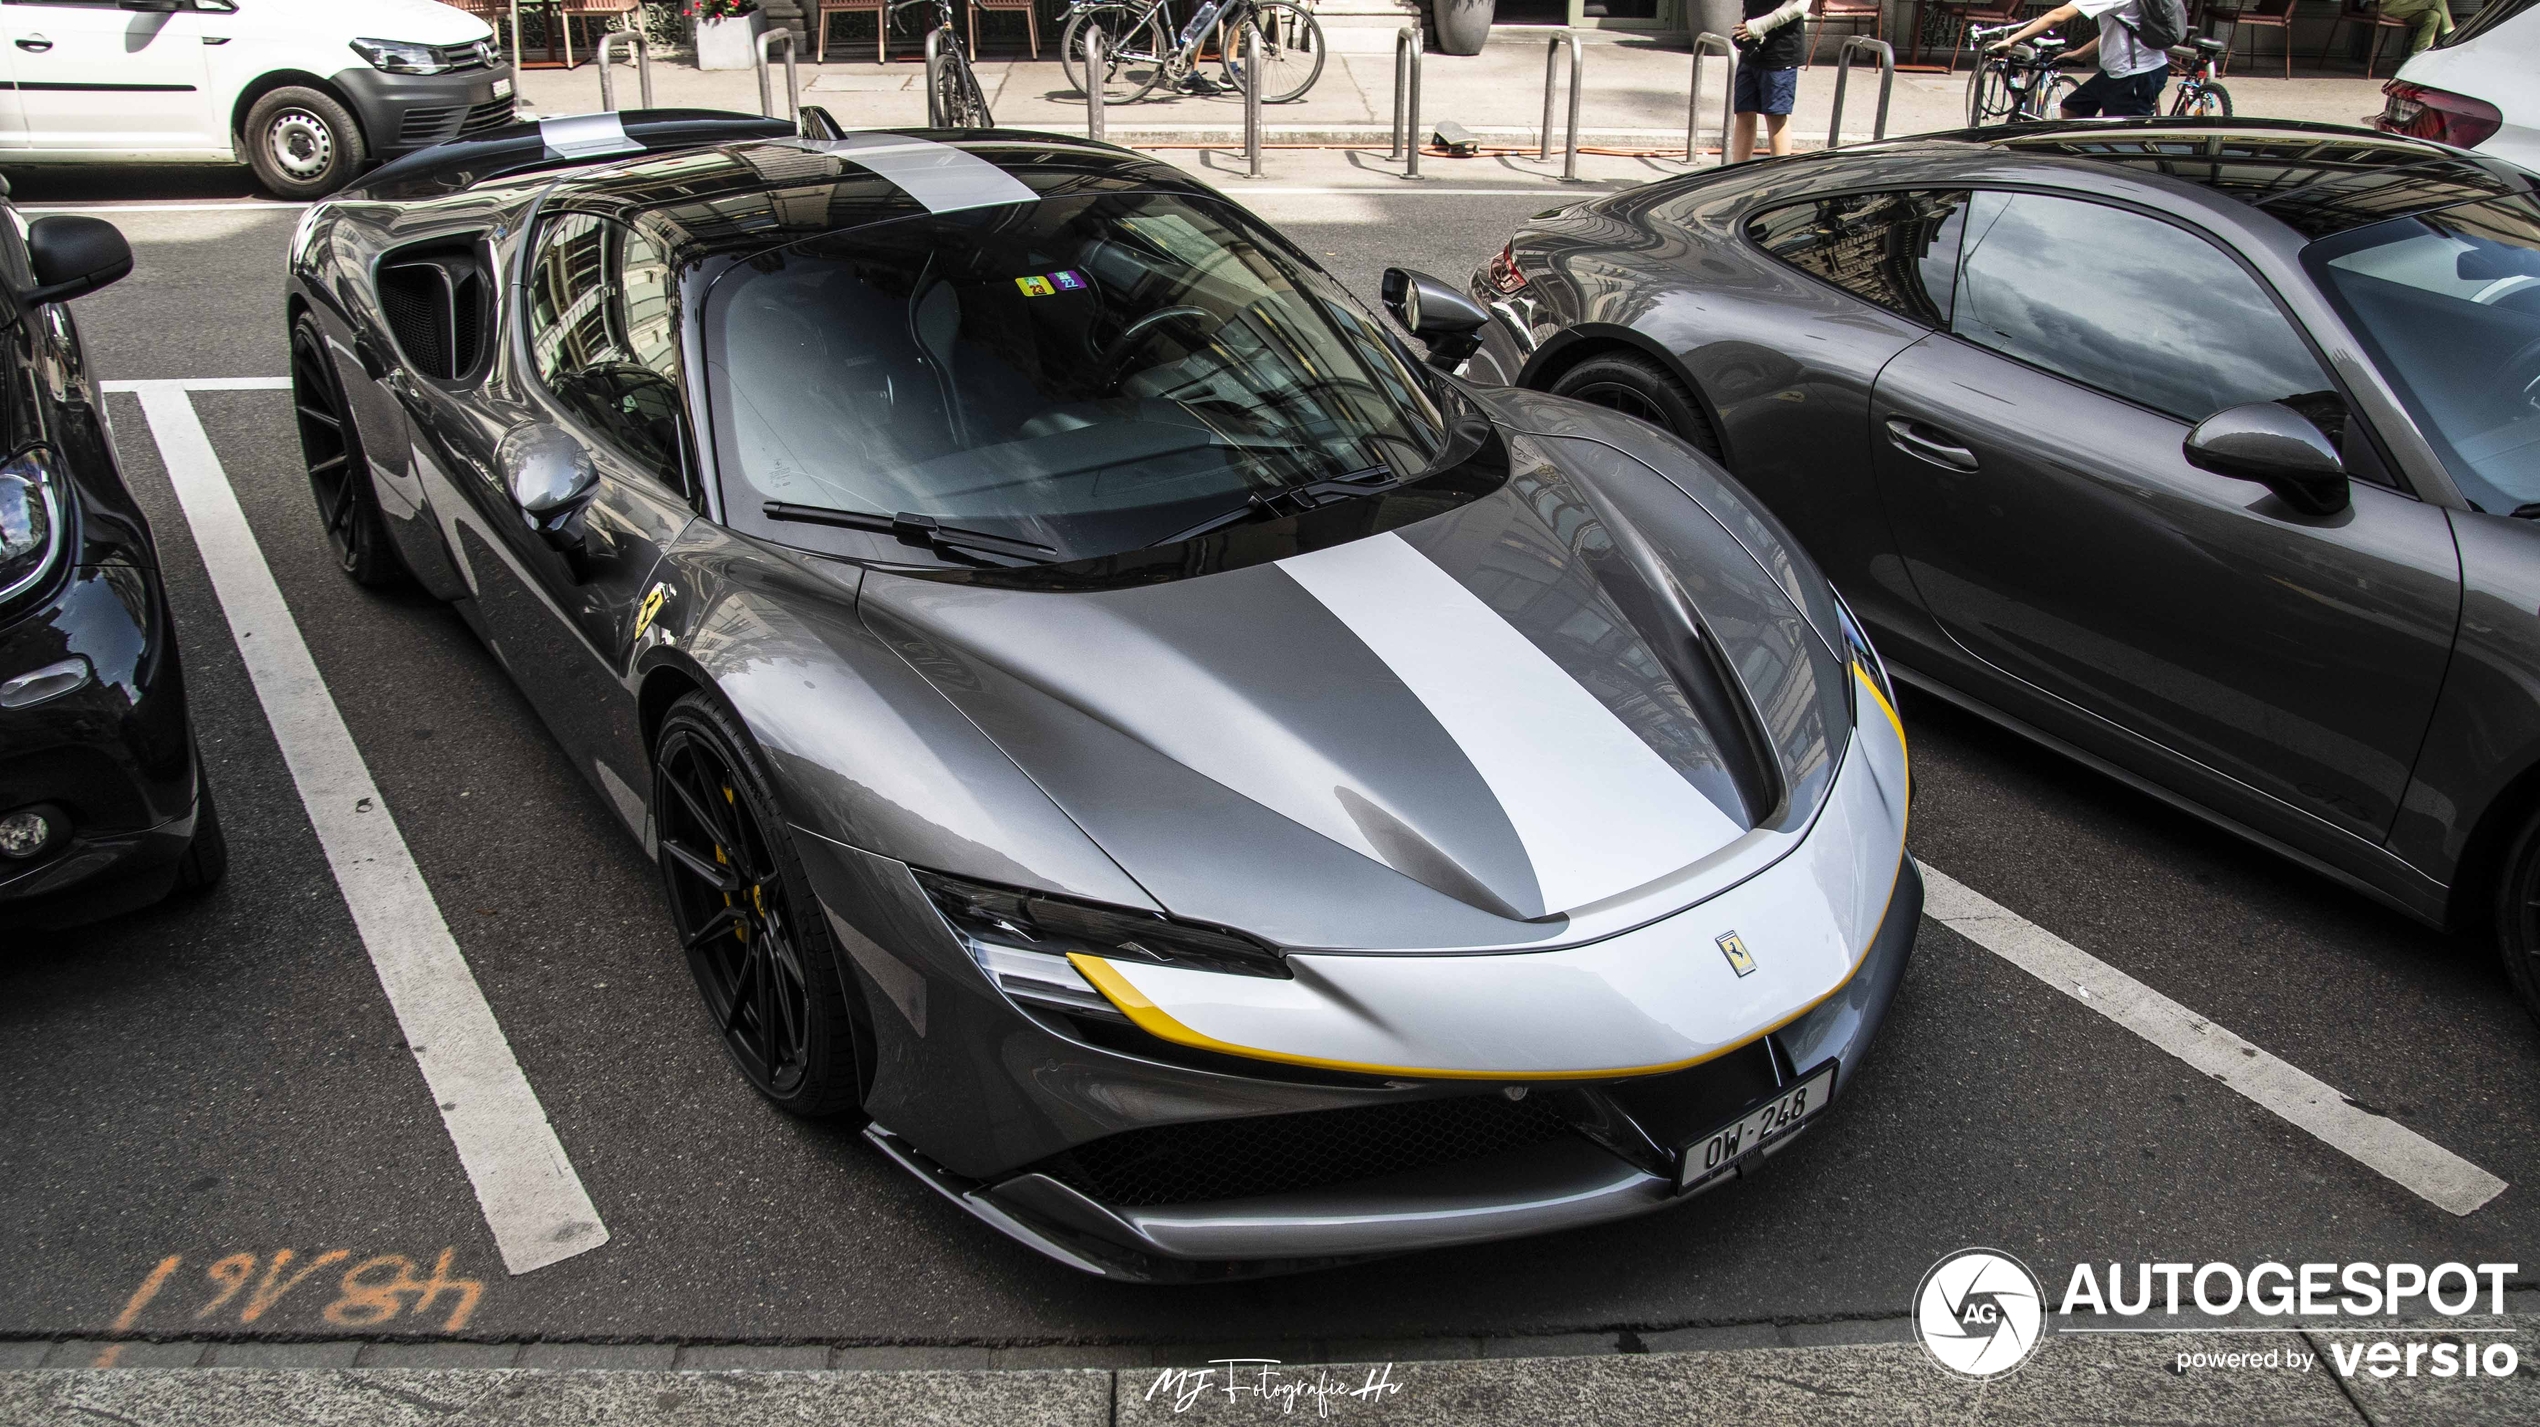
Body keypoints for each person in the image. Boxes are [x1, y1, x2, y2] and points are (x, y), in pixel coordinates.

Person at [1989, 0, 2169, 119]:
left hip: (2135, 75)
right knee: (2072, 108)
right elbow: (2120, 31)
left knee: (2122, 138)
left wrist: (2011, 41)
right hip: (2119, 70)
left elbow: (2058, 16)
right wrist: (2080, 54)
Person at [1731, 0, 1808, 162]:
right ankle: (1736, 173)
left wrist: (1759, 25)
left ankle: (1777, 177)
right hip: (1751, 43)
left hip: (1780, 50)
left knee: (1775, 115)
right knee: (1744, 111)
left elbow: (1800, 5)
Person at [2378, 0, 2455, 55]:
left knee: (2433, 16)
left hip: (2407, 7)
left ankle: (2418, 57)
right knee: (2437, 1)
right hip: (2385, 5)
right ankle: (2451, 37)